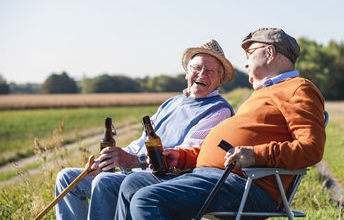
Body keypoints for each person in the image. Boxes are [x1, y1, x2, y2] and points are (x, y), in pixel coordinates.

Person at [114, 28, 327, 220]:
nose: (245, 63)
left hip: (246, 185)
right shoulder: (261, 95)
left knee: (146, 199)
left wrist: (255, 155)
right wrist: (183, 157)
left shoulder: (298, 89)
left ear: (269, 53)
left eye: (250, 53)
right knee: (131, 185)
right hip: (209, 176)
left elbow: (312, 149)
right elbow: (223, 149)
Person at [55, 39, 235, 219]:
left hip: (162, 181)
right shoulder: (172, 103)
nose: (202, 74)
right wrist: (110, 161)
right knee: (67, 177)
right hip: (132, 173)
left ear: (220, 81)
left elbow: (183, 157)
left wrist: (133, 161)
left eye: (210, 71)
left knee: (105, 181)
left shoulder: (218, 110)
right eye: (196, 68)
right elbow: (141, 143)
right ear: (187, 72)